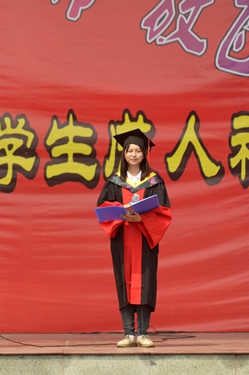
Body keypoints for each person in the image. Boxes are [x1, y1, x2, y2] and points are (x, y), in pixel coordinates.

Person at [96, 128, 172, 348]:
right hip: (122, 241)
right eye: (130, 150)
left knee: (145, 282)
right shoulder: (114, 181)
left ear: (144, 154)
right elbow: (103, 208)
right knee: (124, 281)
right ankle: (129, 333)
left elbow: (163, 211)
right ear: (124, 153)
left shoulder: (154, 181)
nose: (133, 154)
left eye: (138, 150)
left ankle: (143, 333)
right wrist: (120, 212)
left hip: (145, 240)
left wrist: (142, 218)